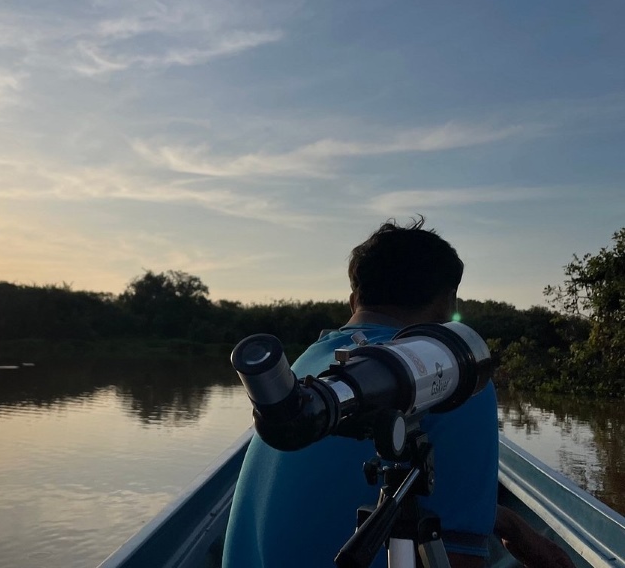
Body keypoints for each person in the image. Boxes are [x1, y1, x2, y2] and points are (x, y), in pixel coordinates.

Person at [223, 217, 573, 568]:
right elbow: (459, 561)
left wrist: (504, 520)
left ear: (354, 299)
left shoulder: (309, 366)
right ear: (448, 303)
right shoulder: (456, 377)